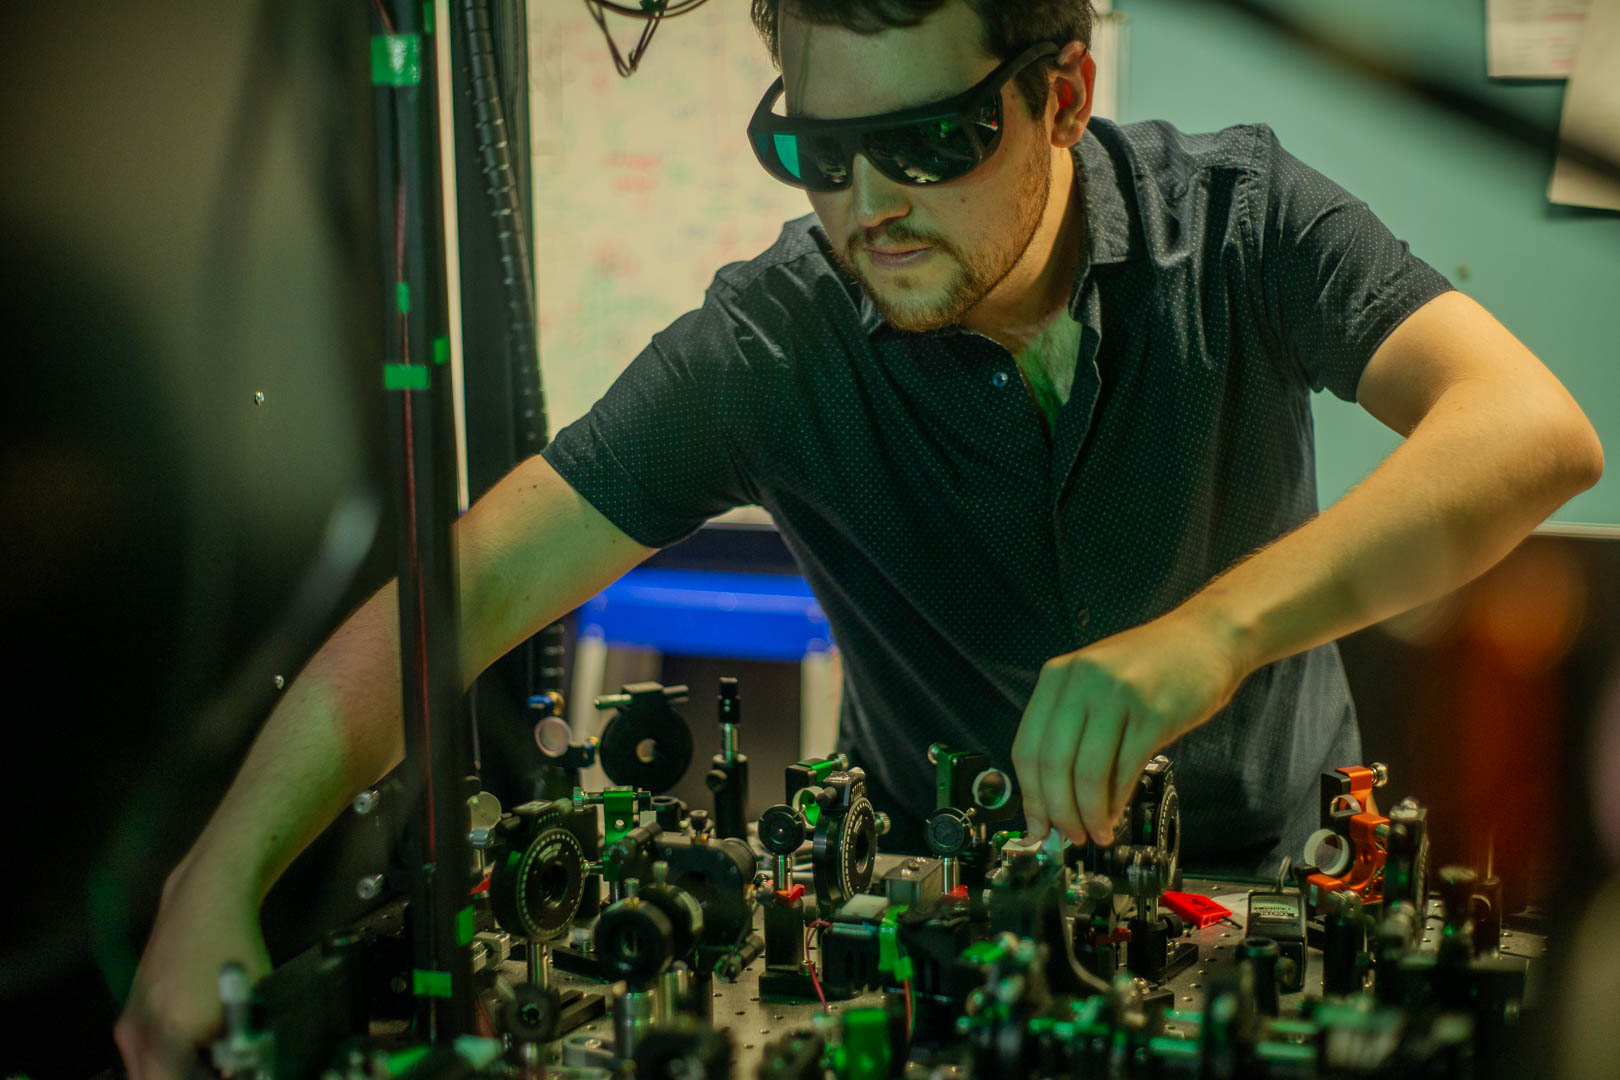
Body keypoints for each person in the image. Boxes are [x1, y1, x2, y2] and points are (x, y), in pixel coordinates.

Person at [116, 0, 1604, 1072]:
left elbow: (1529, 433)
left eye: (929, 142)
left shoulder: (1245, 222)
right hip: (934, 943)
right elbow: (469, 586)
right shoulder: (770, 344)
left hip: (1277, 908)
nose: (869, 209)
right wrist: (216, 879)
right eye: (819, 153)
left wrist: (1211, 635)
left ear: (1065, 94)